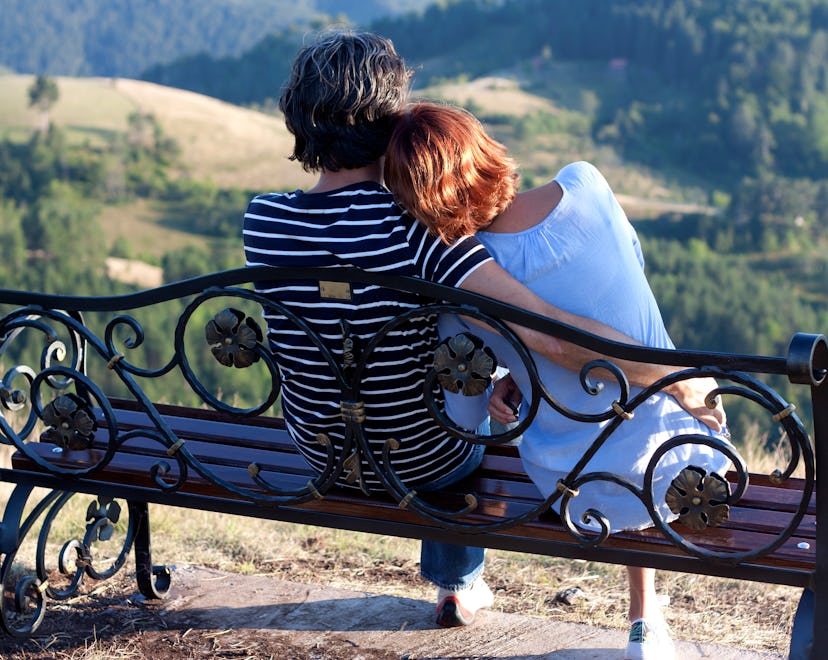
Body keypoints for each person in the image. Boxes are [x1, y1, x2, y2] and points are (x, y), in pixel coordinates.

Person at [243, 31, 723, 632]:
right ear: (389, 120)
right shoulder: (421, 231)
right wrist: (673, 376)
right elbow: (548, 335)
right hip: (421, 465)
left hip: (317, 451)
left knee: (453, 364)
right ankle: (458, 583)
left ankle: (460, 582)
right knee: (468, 380)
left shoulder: (262, 222)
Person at [383, 101, 734, 659]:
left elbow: (465, 419)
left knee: (604, 439)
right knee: (634, 419)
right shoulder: (586, 184)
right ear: (483, 149)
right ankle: (644, 619)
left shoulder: (468, 279)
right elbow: (630, 285)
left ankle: (458, 584)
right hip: (686, 455)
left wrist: (520, 371)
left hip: (571, 486)